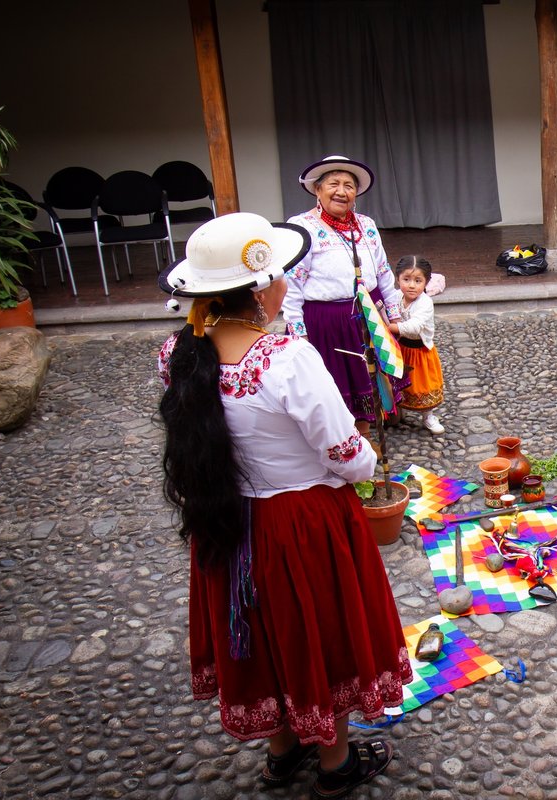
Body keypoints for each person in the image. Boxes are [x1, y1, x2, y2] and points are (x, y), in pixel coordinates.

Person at [156, 212, 413, 796]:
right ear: (258, 289)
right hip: (299, 521)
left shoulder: (179, 355)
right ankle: (334, 761)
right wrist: (368, 465)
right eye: (282, 277)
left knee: (263, 628)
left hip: (225, 521)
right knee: (317, 627)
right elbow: (348, 455)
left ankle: (281, 748)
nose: (285, 286)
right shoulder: (285, 358)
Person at [283, 155, 404, 436]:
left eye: (349, 185)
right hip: (325, 321)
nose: (342, 191)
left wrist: (394, 315)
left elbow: (383, 270)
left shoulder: (366, 224)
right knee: (332, 383)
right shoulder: (303, 227)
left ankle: (362, 435)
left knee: (367, 377)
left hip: (366, 315)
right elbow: (292, 285)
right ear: (318, 190)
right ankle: (338, 441)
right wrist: (299, 333)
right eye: (333, 184)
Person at [387, 255, 445, 435]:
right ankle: (399, 411)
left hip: (420, 351)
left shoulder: (425, 303)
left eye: (418, 280)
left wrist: (391, 327)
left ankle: (428, 416)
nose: (411, 285)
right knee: (400, 380)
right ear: (398, 279)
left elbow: (414, 327)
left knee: (424, 384)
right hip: (401, 348)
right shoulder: (395, 297)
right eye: (406, 279)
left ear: (426, 282)